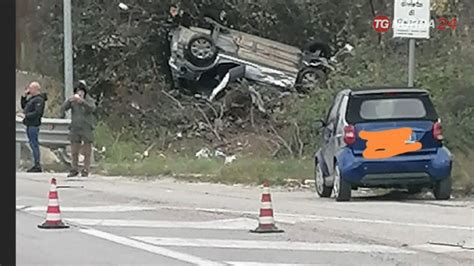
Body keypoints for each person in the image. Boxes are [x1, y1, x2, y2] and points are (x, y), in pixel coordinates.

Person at [60, 81, 96, 177]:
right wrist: (69, 101)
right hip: (75, 127)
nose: (79, 93)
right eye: (77, 91)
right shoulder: (73, 101)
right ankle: (74, 168)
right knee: (74, 150)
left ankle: (86, 169)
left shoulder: (89, 100)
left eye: (81, 91)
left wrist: (83, 102)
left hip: (86, 127)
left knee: (87, 150)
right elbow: (63, 108)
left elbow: (92, 108)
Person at [20, 81, 48, 172]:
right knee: (32, 144)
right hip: (29, 124)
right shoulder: (32, 99)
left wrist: (26, 116)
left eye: (31, 88)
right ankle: (35, 163)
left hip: (34, 125)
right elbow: (25, 107)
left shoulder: (39, 100)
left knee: (34, 144)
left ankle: (37, 164)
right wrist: (24, 97)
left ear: (36, 89)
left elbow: (38, 113)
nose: (29, 90)